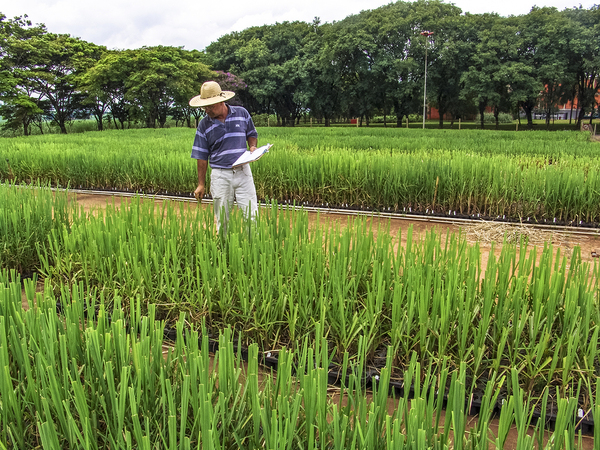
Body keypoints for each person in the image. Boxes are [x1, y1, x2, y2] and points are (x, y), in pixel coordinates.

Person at [189, 81, 259, 234]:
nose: (207, 110)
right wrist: (201, 184)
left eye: (210, 106)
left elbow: (252, 134)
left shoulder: (242, 113)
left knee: (251, 217)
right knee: (223, 220)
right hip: (220, 175)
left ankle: (254, 252)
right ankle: (224, 253)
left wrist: (252, 147)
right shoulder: (204, 125)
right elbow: (201, 156)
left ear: (220, 102)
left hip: (243, 172)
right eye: (204, 107)